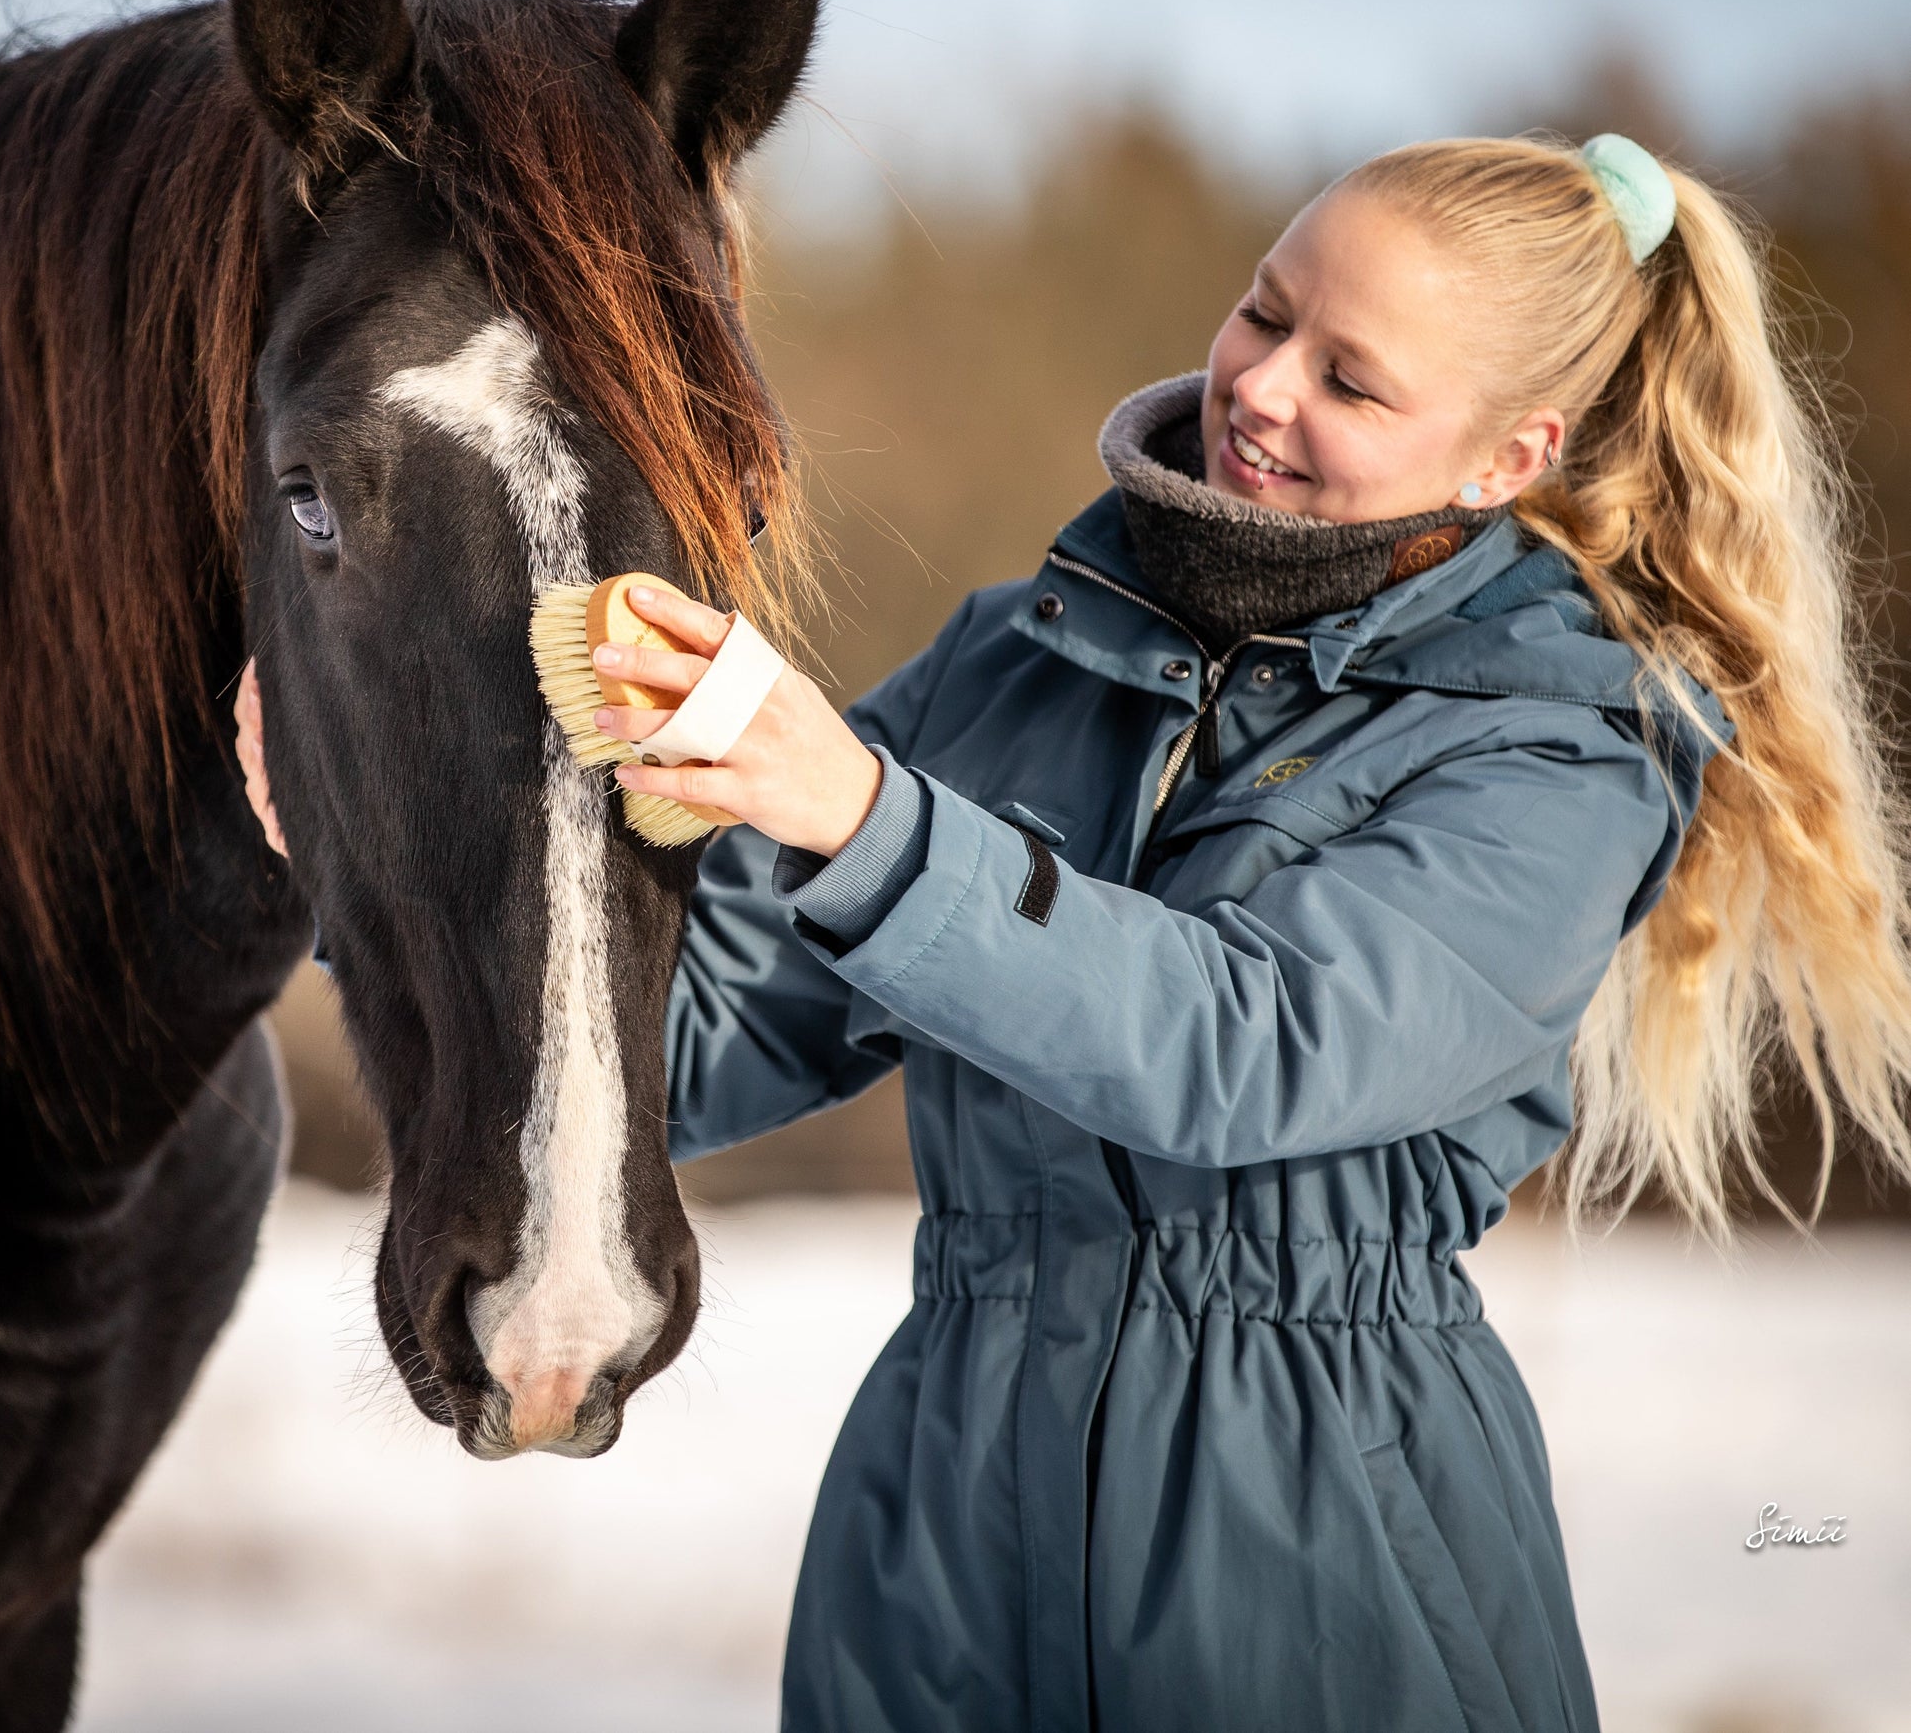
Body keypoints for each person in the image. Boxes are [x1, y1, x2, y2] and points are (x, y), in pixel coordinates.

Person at [241, 133, 1911, 1731]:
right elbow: (679, 1052)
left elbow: (1250, 1051)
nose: (1259, 383)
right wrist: (359, 856)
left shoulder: (1552, 751)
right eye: (1266, 308)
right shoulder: (1028, 655)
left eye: (1350, 377)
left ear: (1508, 460)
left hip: (1313, 1574)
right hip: (935, 1572)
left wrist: (860, 812)